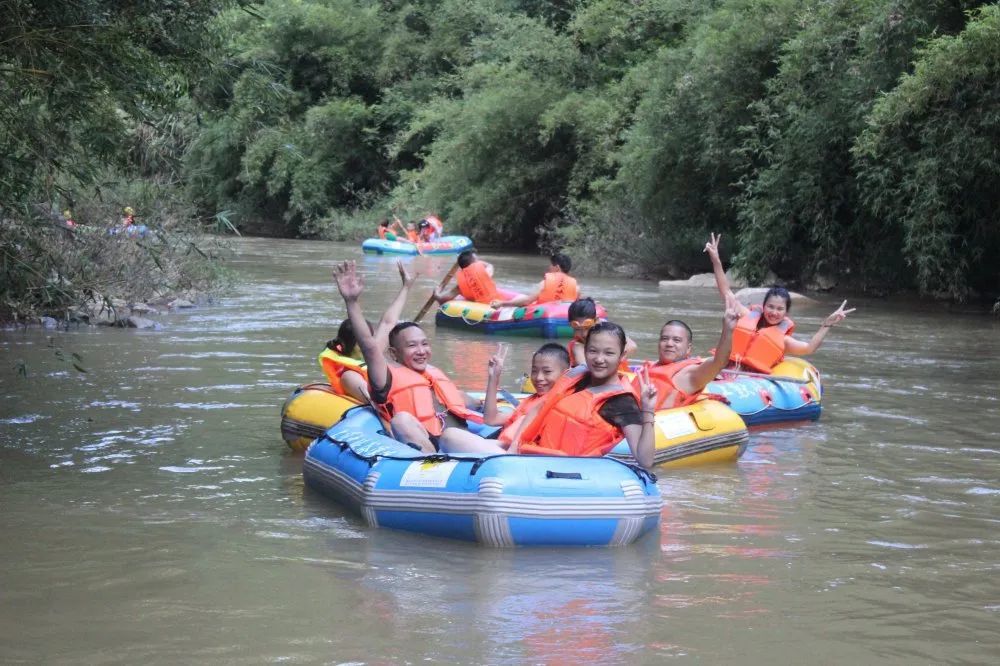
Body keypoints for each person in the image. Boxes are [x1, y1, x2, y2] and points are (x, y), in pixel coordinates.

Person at [333, 260, 497, 454]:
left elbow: (468, 405)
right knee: (401, 420)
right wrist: (351, 302)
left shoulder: (431, 375)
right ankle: (435, 465)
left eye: (424, 344)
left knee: (459, 428)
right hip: (430, 450)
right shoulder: (385, 377)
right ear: (394, 353)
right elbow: (372, 344)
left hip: (461, 440)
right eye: (412, 346)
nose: (421, 351)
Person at [452, 323, 658, 470]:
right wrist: (514, 447)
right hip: (527, 455)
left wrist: (648, 410)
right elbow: (538, 409)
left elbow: (645, 460)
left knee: (452, 438)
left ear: (622, 357)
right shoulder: (577, 376)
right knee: (451, 436)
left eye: (609, 353)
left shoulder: (622, 402)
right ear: (584, 352)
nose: (599, 359)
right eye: (593, 351)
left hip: (557, 469)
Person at [704, 233, 855, 373]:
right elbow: (726, 292)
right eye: (770, 306)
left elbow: (809, 348)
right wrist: (716, 260)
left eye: (779, 309)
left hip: (751, 379)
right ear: (763, 307)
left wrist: (827, 324)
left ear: (785, 312)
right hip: (724, 368)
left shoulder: (783, 340)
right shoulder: (745, 315)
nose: (774, 312)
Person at [320, 261, 414, 401]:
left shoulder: (373, 348)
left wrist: (406, 286)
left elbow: (388, 322)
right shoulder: (350, 376)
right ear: (345, 345)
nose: (368, 343)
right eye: (361, 342)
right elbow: (375, 403)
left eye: (370, 337)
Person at [641, 293, 741, 410]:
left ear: (688, 348)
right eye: (664, 339)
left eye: (676, 340)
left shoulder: (690, 374)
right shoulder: (651, 366)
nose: (669, 344)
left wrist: (728, 329)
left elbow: (719, 362)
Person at [481, 342, 570, 446]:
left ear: (565, 373)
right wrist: (494, 377)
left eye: (547, 372)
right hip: (502, 447)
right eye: (534, 371)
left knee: (456, 435)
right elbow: (491, 419)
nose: (538, 378)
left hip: (509, 452)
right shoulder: (533, 400)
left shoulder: (557, 404)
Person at [566, 297, 636, 367]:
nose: (583, 334)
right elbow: (585, 367)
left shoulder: (606, 332)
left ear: (596, 321)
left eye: (587, 328)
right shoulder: (577, 346)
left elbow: (632, 346)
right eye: (578, 329)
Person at [490, 253, 579, 308]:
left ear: (557, 267)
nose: (549, 267)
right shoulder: (576, 287)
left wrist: (502, 304)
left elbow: (527, 301)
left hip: (542, 317)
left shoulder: (544, 283)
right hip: (563, 319)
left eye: (551, 265)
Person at [433, 250, 497, 304]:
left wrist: (436, 293)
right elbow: (490, 266)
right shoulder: (486, 274)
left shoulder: (460, 286)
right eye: (477, 261)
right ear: (475, 264)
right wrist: (479, 263)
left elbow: (441, 299)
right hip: (491, 305)